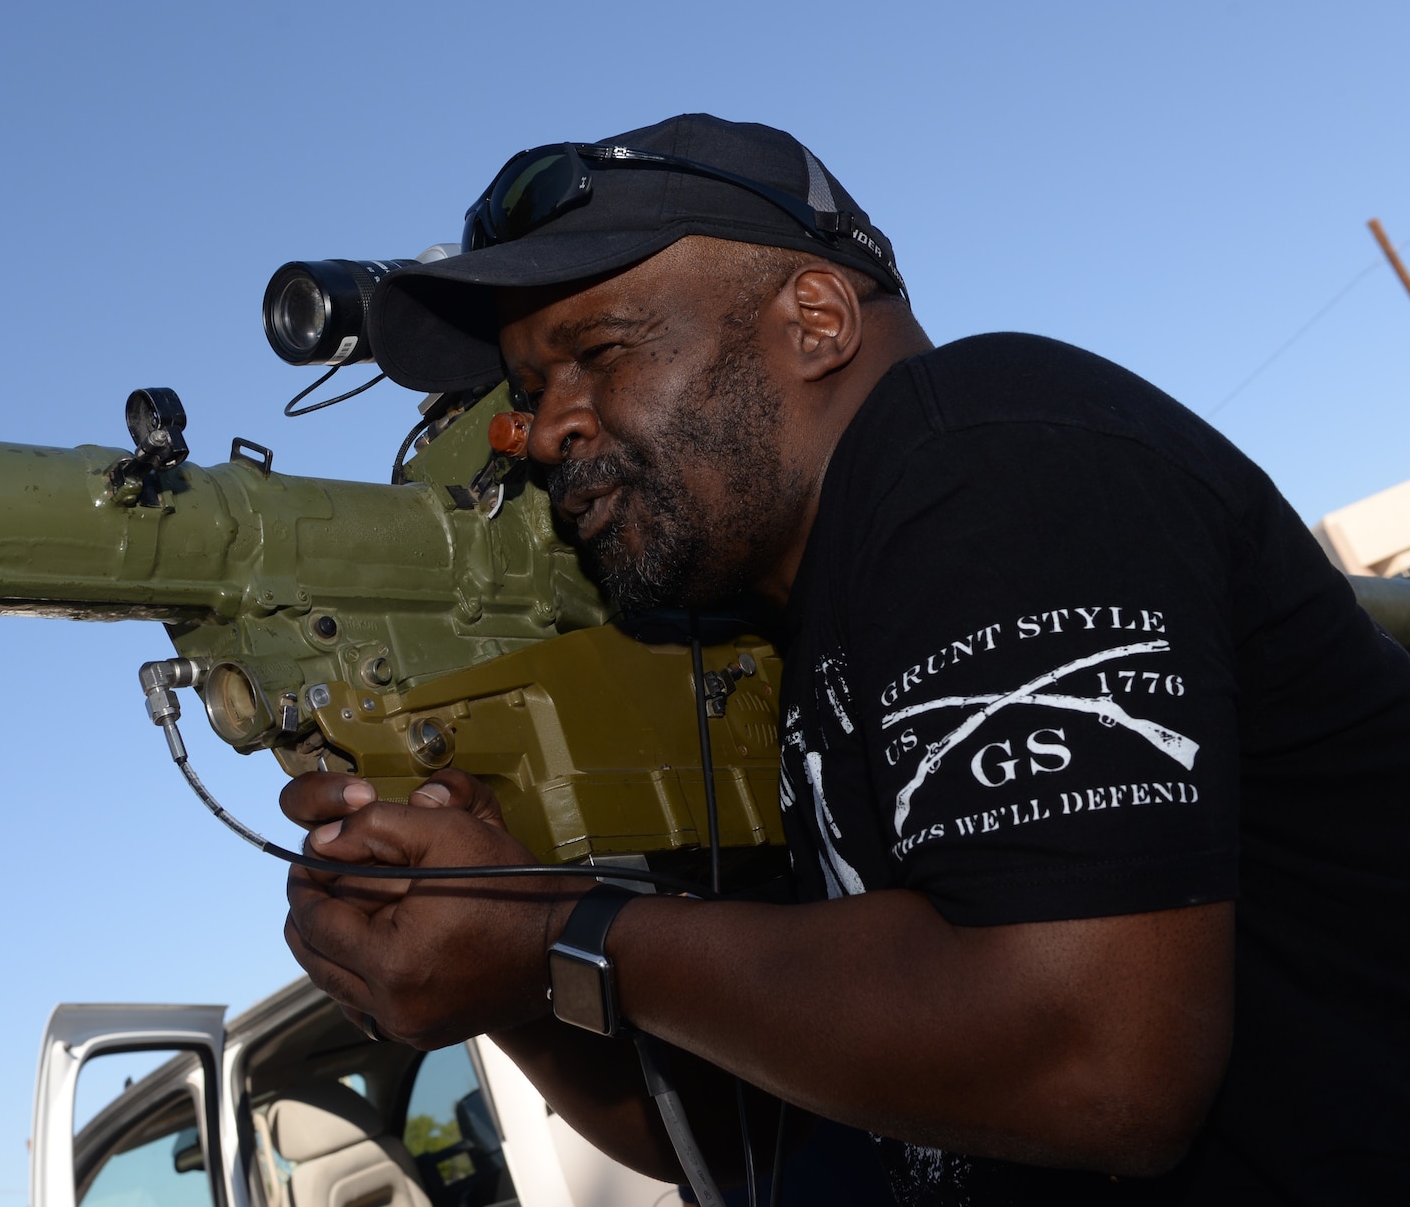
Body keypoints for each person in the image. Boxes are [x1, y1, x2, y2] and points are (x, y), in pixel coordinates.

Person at [278, 114, 1410, 1205]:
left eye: (597, 352)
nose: (545, 428)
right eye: (525, 394)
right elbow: (739, 1125)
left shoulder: (984, 445)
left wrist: (558, 927)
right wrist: (495, 944)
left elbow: (1094, 1060)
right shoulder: (785, 645)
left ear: (815, 317)